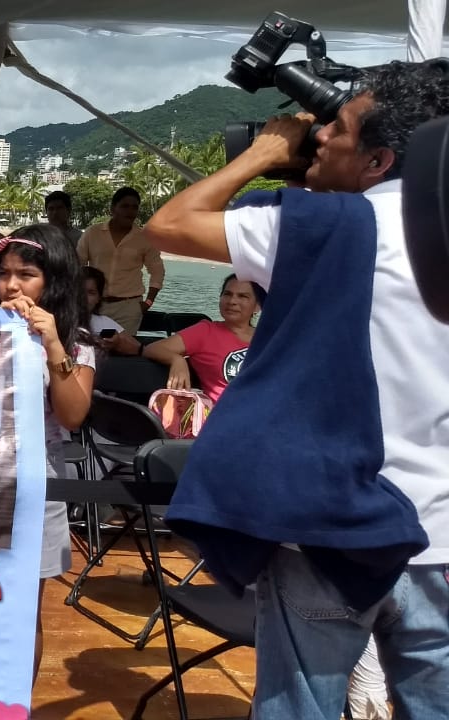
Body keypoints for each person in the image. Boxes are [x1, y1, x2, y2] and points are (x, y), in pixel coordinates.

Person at [143, 60, 449, 719]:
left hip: (328, 528)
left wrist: (265, 152)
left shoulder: (317, 227)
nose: (320, 138)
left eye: (337, 128)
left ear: (379, 159)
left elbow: (168, 225)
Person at [0, 225, 95, 684]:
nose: (11, 285)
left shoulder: (75, 341)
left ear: (54, 281)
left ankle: (13, 704)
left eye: (26, 274)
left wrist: (51, 345)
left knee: (24, 609)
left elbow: (73, 416)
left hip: (36, 486)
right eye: (5, 274)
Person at [142, 274, 263, 404]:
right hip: (225, 417)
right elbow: (152, 349)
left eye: (242, 296)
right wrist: (176, 360)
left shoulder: (268, 338)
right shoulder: (205, 332)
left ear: (257, 306)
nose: (232, 301)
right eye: (227, 294)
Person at [76, 187, 165, 334]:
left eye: (134, 207)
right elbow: (77, 265)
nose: (130, 211)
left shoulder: (145, 238)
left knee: (123, 352)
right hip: (96, 305)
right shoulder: (93, 233)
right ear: (113, 208)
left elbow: (157, 271)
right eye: (124, 206)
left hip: (129, 308)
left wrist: (148, 302)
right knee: (90, 349)